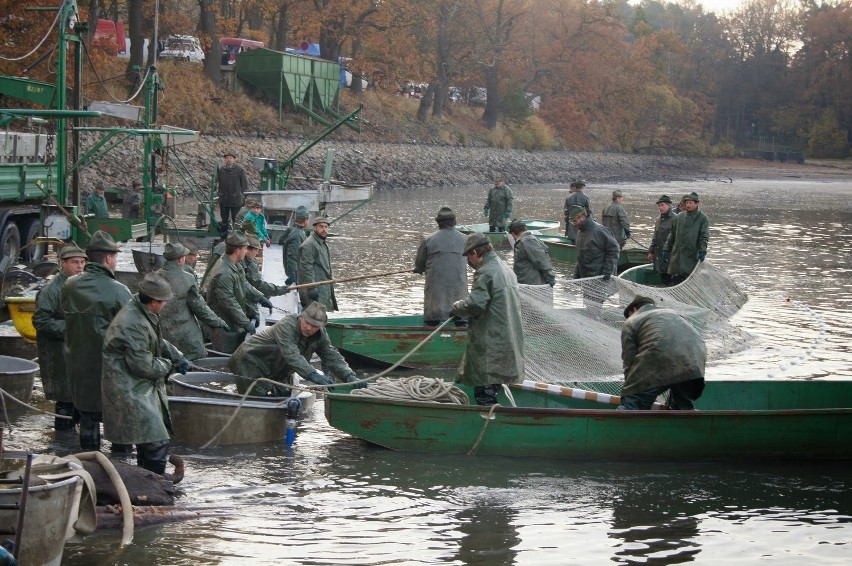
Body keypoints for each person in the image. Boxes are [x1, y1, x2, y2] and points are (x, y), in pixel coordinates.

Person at [102, 272, 190, 475]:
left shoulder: (142, 312)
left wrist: (178, 356)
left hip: (137, 383)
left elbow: (156, 341)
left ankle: (143, 479)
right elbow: (143, 365)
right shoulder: (133, 322)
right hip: (128, 386)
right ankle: (155, 486)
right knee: (156, 440)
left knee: (148, 439)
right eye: (164, 301)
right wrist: (170, 366)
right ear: (153, 302)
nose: (166, 305)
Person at [62, 231, 132, 450]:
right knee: (120, 420)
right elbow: (133, 331)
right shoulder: (119, 291)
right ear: (109, 259)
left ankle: (89, 466)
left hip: (78, 363)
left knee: (88, 417)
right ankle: (122, 467)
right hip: (110, 367)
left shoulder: (70, 285)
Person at [450, 233, 524, 406]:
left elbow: (475, 304)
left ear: (475, 252)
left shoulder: (486, 271)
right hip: (507, 338)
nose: (470, 262)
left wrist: (456, 309)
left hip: (491, 341)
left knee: (484, 388)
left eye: (469, 256)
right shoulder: (505, 268)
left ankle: (488, 421)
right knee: (493, 384)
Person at [229, 302, 362, 396]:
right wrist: (312, 374)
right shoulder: (286, 325)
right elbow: (291, 355)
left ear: (321, 326)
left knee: (284, 395)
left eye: (314, 325)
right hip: (250, 361)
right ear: (301, 317)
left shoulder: (320, 335)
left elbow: (331, 355)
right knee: (255, 400)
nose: (309, 328)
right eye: (307, 322)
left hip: (275, 368)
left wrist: (348, 375)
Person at [33, 242, 87, 430]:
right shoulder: (52, 289)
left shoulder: (79, 285)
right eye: (75, 262)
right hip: (58, 352)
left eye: (82, 262)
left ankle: (72, 439)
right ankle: (63, 443)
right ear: (62, 263)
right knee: (65, 399)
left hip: (76, 351)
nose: (80, 266)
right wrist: (73, 328)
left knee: (78, 397)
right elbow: (40, 321)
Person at [619, 296, 706, 410]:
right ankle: (690, 422)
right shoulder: (673, 314)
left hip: (659, 356)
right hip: (695, 361)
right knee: (682, 407)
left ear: (634, 310)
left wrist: (632, 389)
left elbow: (629, 361)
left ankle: (621, 423)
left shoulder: (633, 320)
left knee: (632, 404)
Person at [159, 242, 230, 360]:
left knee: (167, 361)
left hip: (162, 333)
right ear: (180, 259)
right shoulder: (187, 278)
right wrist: (217, 322)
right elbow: (199, 307)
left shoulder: (155, 277)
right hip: (184, 333)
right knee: (195, 357)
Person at [204, 231, 269, 353]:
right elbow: (228, 302)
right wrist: (245, 322)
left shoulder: (235, 265)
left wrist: (260, 297)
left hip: (233, 321)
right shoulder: (224, 273)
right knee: (224, 356)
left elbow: (244, 284)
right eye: (245, 248)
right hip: (223, 324)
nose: (246, 251)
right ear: (237, 250)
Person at [413, 206, 469, 326]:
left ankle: (430, 330)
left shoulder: (428, 240)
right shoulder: (466, 240)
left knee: (432, 319)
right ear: (454, 222)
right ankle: (461, 329)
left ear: (438, 223)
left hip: (435, 295)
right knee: (461, 318)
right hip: (459, 291)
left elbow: (419, 266)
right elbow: (473, 262)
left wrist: (418, 269)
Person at [568, 205, 619, 319]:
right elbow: (580, 257)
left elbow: (614, 250)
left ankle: (597, 327)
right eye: (572, 222)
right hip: (586, 279)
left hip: (599, 278)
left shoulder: (600, 230)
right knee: (588, 306)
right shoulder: (580, 233)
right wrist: (576, 276)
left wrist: (607, 272)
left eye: (575, 221)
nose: (574, 224)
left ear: (582, 216)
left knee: (594, 308)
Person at [662, 192, 709, 285]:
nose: (688, 205)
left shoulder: (703, 218)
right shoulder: (679, 216)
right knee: (675, 278)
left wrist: (702, 250)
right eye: (687, 203)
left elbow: (704, 237)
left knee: (689, 279)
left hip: (691, 254)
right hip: (677, 254)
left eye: (691, 203)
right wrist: (666, 248)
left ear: (697, 204)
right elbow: (672, 234)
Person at [298, 217, 337, 311]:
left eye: (326, 227)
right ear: (314, 228)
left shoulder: (321, 243)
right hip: (315, 289)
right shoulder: (309, 244)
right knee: (313, 315)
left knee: (320, 314)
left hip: (322, 287)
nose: (324, 229)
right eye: (321, 227)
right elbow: (306, 268)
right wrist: (312, 287)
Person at [508, 219, 556, 286]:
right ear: (525, 229)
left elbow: (542, 260)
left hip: (533, 285)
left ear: (512, 234)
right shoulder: (524, 241)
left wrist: (550, 277)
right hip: (526, 284)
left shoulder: (527, 241)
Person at [243, 231, 289, 299]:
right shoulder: (245, 263)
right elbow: (258, 284)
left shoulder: (249, 260)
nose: (257, 253)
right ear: (248, 250)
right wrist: (279, 290)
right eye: (257, 250)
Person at [215, 150, 248, 235]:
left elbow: (244, 184)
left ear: (234, 159)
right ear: (225, 160)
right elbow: (216, 181)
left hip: (235, 200)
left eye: (231, 158)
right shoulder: (221, 170)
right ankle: (223, 235)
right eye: (227, 158)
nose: (229, 160)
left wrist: (240, 194)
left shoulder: (239, 170)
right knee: (224, 219)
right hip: (224, 199)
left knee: (236, 219)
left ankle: (236, 236)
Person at [647, 195, 676, 286]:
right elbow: (655, 237)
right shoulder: (658, 219)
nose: (660, 207)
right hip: (659, 253)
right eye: (659, 205)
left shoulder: (676, 219)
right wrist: (651, 251)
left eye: (662, 205)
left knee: (670, 278)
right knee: (661, 276)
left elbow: (679, 239)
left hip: (670, 254)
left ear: (669, 205)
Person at [282, 206, 311, 286]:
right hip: (296, 271)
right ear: (305, 221)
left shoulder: (297, 231)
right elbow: (293, 256)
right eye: (308, 220)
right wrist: (293, 274)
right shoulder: (297, 234)